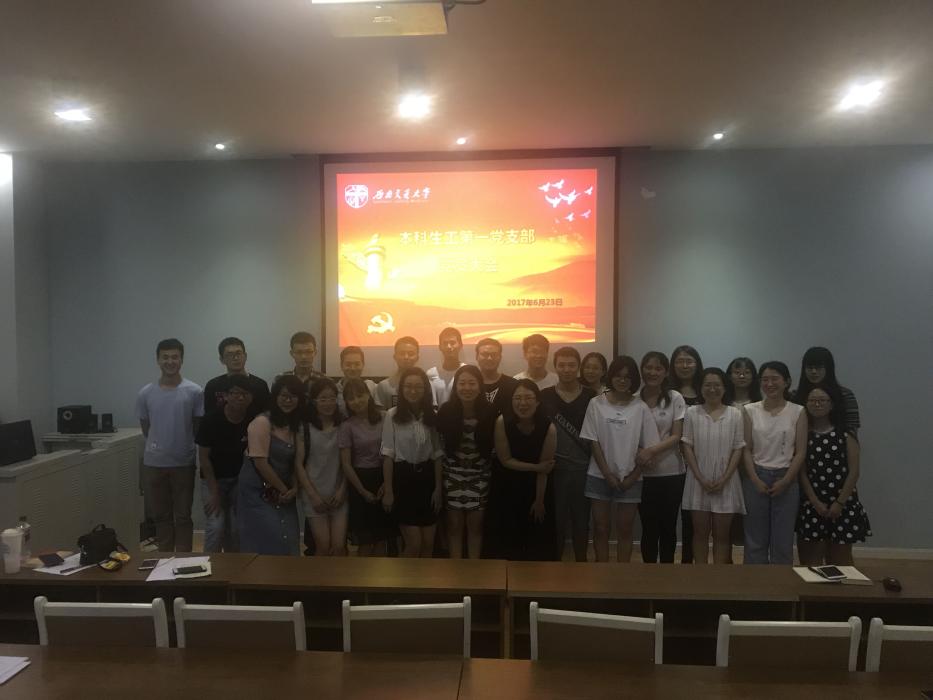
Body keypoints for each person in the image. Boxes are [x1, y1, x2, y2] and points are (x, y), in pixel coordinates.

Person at [582, 356, 660, 563]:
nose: (622, 380)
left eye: (628, 377)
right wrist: (607, 474)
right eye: (618, 375)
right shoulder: (596, 403)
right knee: (600, 528)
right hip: (599, 475)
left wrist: (633, 477)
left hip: (631, 478)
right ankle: (602, 571)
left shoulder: (640, 407)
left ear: (634, 379)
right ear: (610, 376)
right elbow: (593, 441)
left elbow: (649, 449)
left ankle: (621, 574)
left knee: (625, 528)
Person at [136, 338, 204, 552]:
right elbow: (146, 428)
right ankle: (164, 560)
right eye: (165, 357)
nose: (170, 361)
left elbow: (197, 426)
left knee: (183, 516)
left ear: (182, 359)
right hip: (154, 464)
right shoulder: (145, 393)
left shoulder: (194, 391)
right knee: (161, 517)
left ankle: (183, 561)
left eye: (175, 357)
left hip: (183, 462)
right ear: (158, 360)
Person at [797, 385, 871, 565]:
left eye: (822, 400)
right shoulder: (803, 436)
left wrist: (839, 503)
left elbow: (854, 472)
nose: (817, 404)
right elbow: (802, 473)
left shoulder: (846, 435)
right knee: (810, 561)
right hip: (812, 505)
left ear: (831, 405)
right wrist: (815, 502)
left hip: (843, 505)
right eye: (812, 400)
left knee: (841, 560)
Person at [742, 361, 807, 565]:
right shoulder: (749, 410)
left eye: (775, 379)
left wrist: (786, 481)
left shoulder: (798, 411)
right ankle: (755, 582)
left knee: (783, 540)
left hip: (786, 477)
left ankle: (781, 583)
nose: (769, 384)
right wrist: (755, 479)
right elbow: (746, 449)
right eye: (765, 380)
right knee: (754, 539)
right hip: (756, 477)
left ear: (786, 382)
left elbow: (800, 451)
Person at [681, 368, 746, 564]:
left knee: (722, 535)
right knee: (700, 533)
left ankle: (719, 577)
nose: (712, 389)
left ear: (724, 388)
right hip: (697, 480)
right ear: (700, 388)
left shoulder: (735, 413)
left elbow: (738, 448)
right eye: (707, 385)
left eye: (717, 385)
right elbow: (687, 446)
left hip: (727, 481)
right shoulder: (692, 412)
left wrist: (724, 479)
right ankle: (701, 576)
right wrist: (700, 478)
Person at [490, 379, 558, 560]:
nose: (523, 403)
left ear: (537, 401)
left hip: (537, 485)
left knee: (537, 540)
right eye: (517, 398)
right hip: (507, 484)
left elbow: (545, 468)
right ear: (511, 401)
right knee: (507, 540)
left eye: (528, 398)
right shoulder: (502, 422)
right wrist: (535, 467)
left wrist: (539, 501)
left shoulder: (548, 427)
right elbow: (505, 460)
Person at [381, 367, 444, 557]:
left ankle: (422, 579)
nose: (413, 390)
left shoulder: (433, 415)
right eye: (408, 386)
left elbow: (437, 454)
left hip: (427, 480)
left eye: (418, 386)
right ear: (401, 389)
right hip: (403, 480)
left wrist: (438, 489)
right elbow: (388, 455)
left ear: (426, 389)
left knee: (428, 545)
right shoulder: (392, 415)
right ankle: (401, 577)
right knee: (414, 545)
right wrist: (389, 491)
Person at [540, 347, 595, 562]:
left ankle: (582, 566)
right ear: (555, 367)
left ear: (578, 367)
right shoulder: (544, 396)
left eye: (571, 365)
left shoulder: (592, 397)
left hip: (584, 469)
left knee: (581, 522)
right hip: (554, 471)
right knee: (557, 522)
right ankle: (555, 568)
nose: (566, 369)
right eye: (561, 365)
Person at [237, 375, 303, 555]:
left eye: (293, 396)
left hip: (283, 493)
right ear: (275, 397)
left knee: (289, 539)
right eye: (283, 396)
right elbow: (260, 463)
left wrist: (294, 488)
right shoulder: (262, 422)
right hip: (258, 492)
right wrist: (284, 490)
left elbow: (295, 461)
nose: (288, 401)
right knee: (266, 539)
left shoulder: (295, 424)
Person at [436, 365, 495, 559]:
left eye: (472, 383)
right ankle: (457, 572)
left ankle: (473, 572)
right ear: (456, 387)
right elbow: (439, 446)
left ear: (480, 386)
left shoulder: (490, 411)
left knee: (475, 527)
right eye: (462, 383)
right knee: (454, 527)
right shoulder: (446, 411)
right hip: (452, 475)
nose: (467, 388)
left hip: (480, 476)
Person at [637, 351, 686, 564]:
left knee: (668, 526)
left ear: (666, 372)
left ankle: (667, 573)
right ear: (642, 370)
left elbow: (676, 435)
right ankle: (649, 574)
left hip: (672, 473)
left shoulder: (675, 397)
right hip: (642, 474)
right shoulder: (634, 398)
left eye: (658, 368)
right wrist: (640, 453)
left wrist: (651, 451)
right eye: (648, 367)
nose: (653, 372)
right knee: (648, 527)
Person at [195, 374, 253, 553]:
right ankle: (208, 565)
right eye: (235, 393)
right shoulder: (210, 420)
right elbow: (204, 458)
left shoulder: (253, 420)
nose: (240, 397)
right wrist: (214, 492)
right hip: (213, 480)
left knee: (236, 529)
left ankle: (233, 567)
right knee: (216, 525)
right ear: (225, 396)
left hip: (239, 481)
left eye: (245, 393)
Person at [339, 378, 393, 556]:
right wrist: (362, 492)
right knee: (365, 541)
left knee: (381, 540)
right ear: (346, 402)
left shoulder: (384, 417)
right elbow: (346, 464)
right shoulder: (346, 426)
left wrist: (387, 484)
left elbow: (391, 452)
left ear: (368, 395)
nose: (357, 401)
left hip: (384, 477)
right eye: (351, 398)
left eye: (360, 395)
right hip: (359, 482)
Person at [297, 378, 348, 556]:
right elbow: (298, 464)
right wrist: (313, 496)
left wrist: (342, 491)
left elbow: (348, 463)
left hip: (338, 493)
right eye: (323, 399)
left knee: (339, 547)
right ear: (313, 401)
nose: (328, 403)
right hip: (314, 493)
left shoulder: (344, 425)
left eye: (332, 398)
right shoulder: (304, 427)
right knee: (323, 547)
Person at [670, 344, 703, 564]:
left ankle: (690, 564)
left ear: (697, 364)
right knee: (670, 517)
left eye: (689, 361)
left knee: (694, 519)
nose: (684, 365)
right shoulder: (666, 393)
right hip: (671, 463)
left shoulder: (706, 391)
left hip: (701, 463)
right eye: (680, 361)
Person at [794, 347, 860, 436]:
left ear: (828, 369)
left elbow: (852, 430)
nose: (814, 371)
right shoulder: (795, 396)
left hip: (837, 443)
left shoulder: (845, 395)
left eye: (819, 367)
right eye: (809, 367)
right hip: (802, 443)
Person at [202, 337, 270, 418]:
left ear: (245, 356)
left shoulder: (260, 385)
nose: (235, 358)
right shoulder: (213, 386)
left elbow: (266, 415)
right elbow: (208, 417)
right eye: (230, 355)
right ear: (222, 359)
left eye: (238, 353)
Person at [376, 336, 434, 410]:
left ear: (417, 358)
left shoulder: (427, 384)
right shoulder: (384, 386)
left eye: (411, 354)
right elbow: (382, 414)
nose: (406, 357)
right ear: (395, 356)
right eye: (402, 353)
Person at [475, 338, 519, 417]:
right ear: (476, 357)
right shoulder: (470, 385)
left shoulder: (513, 385)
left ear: (500, 357)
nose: (489, 358)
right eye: (485, 354)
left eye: (494, 355)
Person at [427, 327, 466, 406]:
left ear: (460, 345)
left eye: (452, 343)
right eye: (445, 343)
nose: (448, 347)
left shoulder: (467, 371)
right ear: (440, 347)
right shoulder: (431, 373)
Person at [335, 346, 377, 415]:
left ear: (363, 365)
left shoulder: (372, 387)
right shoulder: (334, 391)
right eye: (348, 364)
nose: (353, 368)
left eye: (357, 364)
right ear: (341, 366)